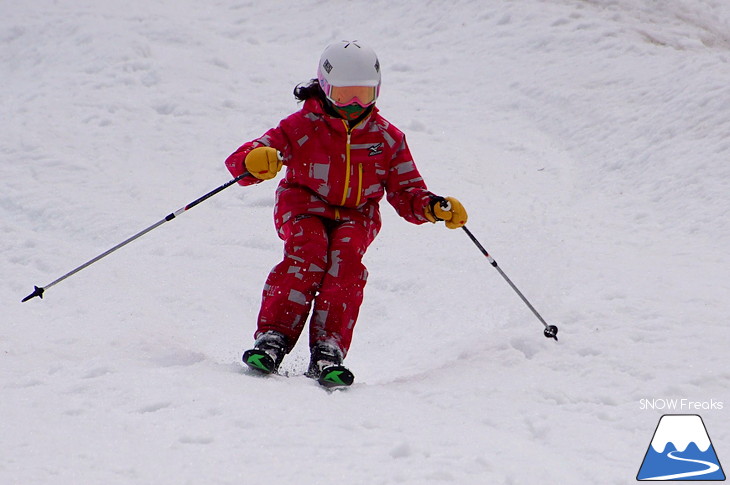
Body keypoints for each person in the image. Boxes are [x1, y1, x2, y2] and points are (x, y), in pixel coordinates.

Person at [225, 40, 468, 386]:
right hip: (303, 204)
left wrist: (432, 207)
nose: (354, 105)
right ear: (324, 88)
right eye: (344, 95)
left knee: (346, 260)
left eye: (363, 94)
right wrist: (253, 160)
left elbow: (406, 191)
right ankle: (273, 338)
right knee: (307, 252)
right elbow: (253, 155)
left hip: (357, 214)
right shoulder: (302, 125)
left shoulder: (387, 138)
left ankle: (328, 348)